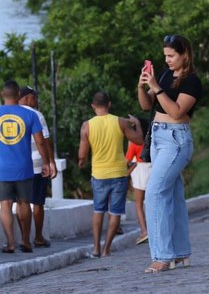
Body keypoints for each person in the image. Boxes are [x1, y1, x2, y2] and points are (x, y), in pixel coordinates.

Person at [137, 35, 202, 273]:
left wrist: (157, 87)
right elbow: (147, 106)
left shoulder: (192, 82)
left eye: (171, 55)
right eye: (165, 56)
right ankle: (181, 252)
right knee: (173, 196)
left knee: (153, 193)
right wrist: (143, 85)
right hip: (157, 137)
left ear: (184, 54)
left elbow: (175, 111)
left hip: (176, 140)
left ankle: (163, 256)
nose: (168, 60)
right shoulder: (164, 75)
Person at [0, 80, 51, 254]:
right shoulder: (31, 115)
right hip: (24, 168)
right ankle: (26, 240)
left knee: (5, 205)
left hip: (1, 169)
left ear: (2, 95)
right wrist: (47, 162)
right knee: (24, 203)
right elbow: (41, 142)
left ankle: (10, 243)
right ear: (18, 95)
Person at [78, 91, 143, 258]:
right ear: (109, 104)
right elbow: (139, 140)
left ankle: (95, 249)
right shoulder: (120, 122)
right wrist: (137, 124)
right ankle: (107, 249)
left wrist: (81, 162)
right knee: (115, 213)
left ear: (93, 106)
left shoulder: (87, 126)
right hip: (119, 174)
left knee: (98, 210)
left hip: (99, 174)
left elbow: (82, 155)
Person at [18, 86, 57, 247]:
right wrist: (50, 162)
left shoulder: (11, 114)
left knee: (21, 203)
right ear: (27, 98)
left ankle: (24, 237)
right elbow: (44, 141)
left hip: (18, 166)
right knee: (37, 202)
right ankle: (38, 237)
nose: (36, 100)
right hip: (36, 165)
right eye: (34, 97)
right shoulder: (36, 115)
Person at [125, 117, 151, 245]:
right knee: (152, 202)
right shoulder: (151, 139)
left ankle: (144, 231)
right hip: (152, 169)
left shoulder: (134, 143)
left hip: (141, 171)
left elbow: (128, 159)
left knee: (139, 204)